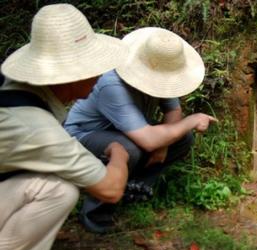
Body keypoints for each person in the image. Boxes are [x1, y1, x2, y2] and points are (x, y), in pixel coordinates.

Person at [0, 4, 130, 250]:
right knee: (60, 190)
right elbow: (111, 189)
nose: (99, 76)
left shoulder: (16, 86)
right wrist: (120, 154)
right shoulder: (33, 125)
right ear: (71, 76)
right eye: (94, 70)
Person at [64, 27, 217, 233]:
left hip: (129, 131)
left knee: (183, 138)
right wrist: (193, 120)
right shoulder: (112, 84)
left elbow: (173, 110)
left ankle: (131, 190)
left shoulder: (163, 74)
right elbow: (148, 140)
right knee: (127, 149)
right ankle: (96, 214)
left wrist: (164, 145)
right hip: (83, 135)